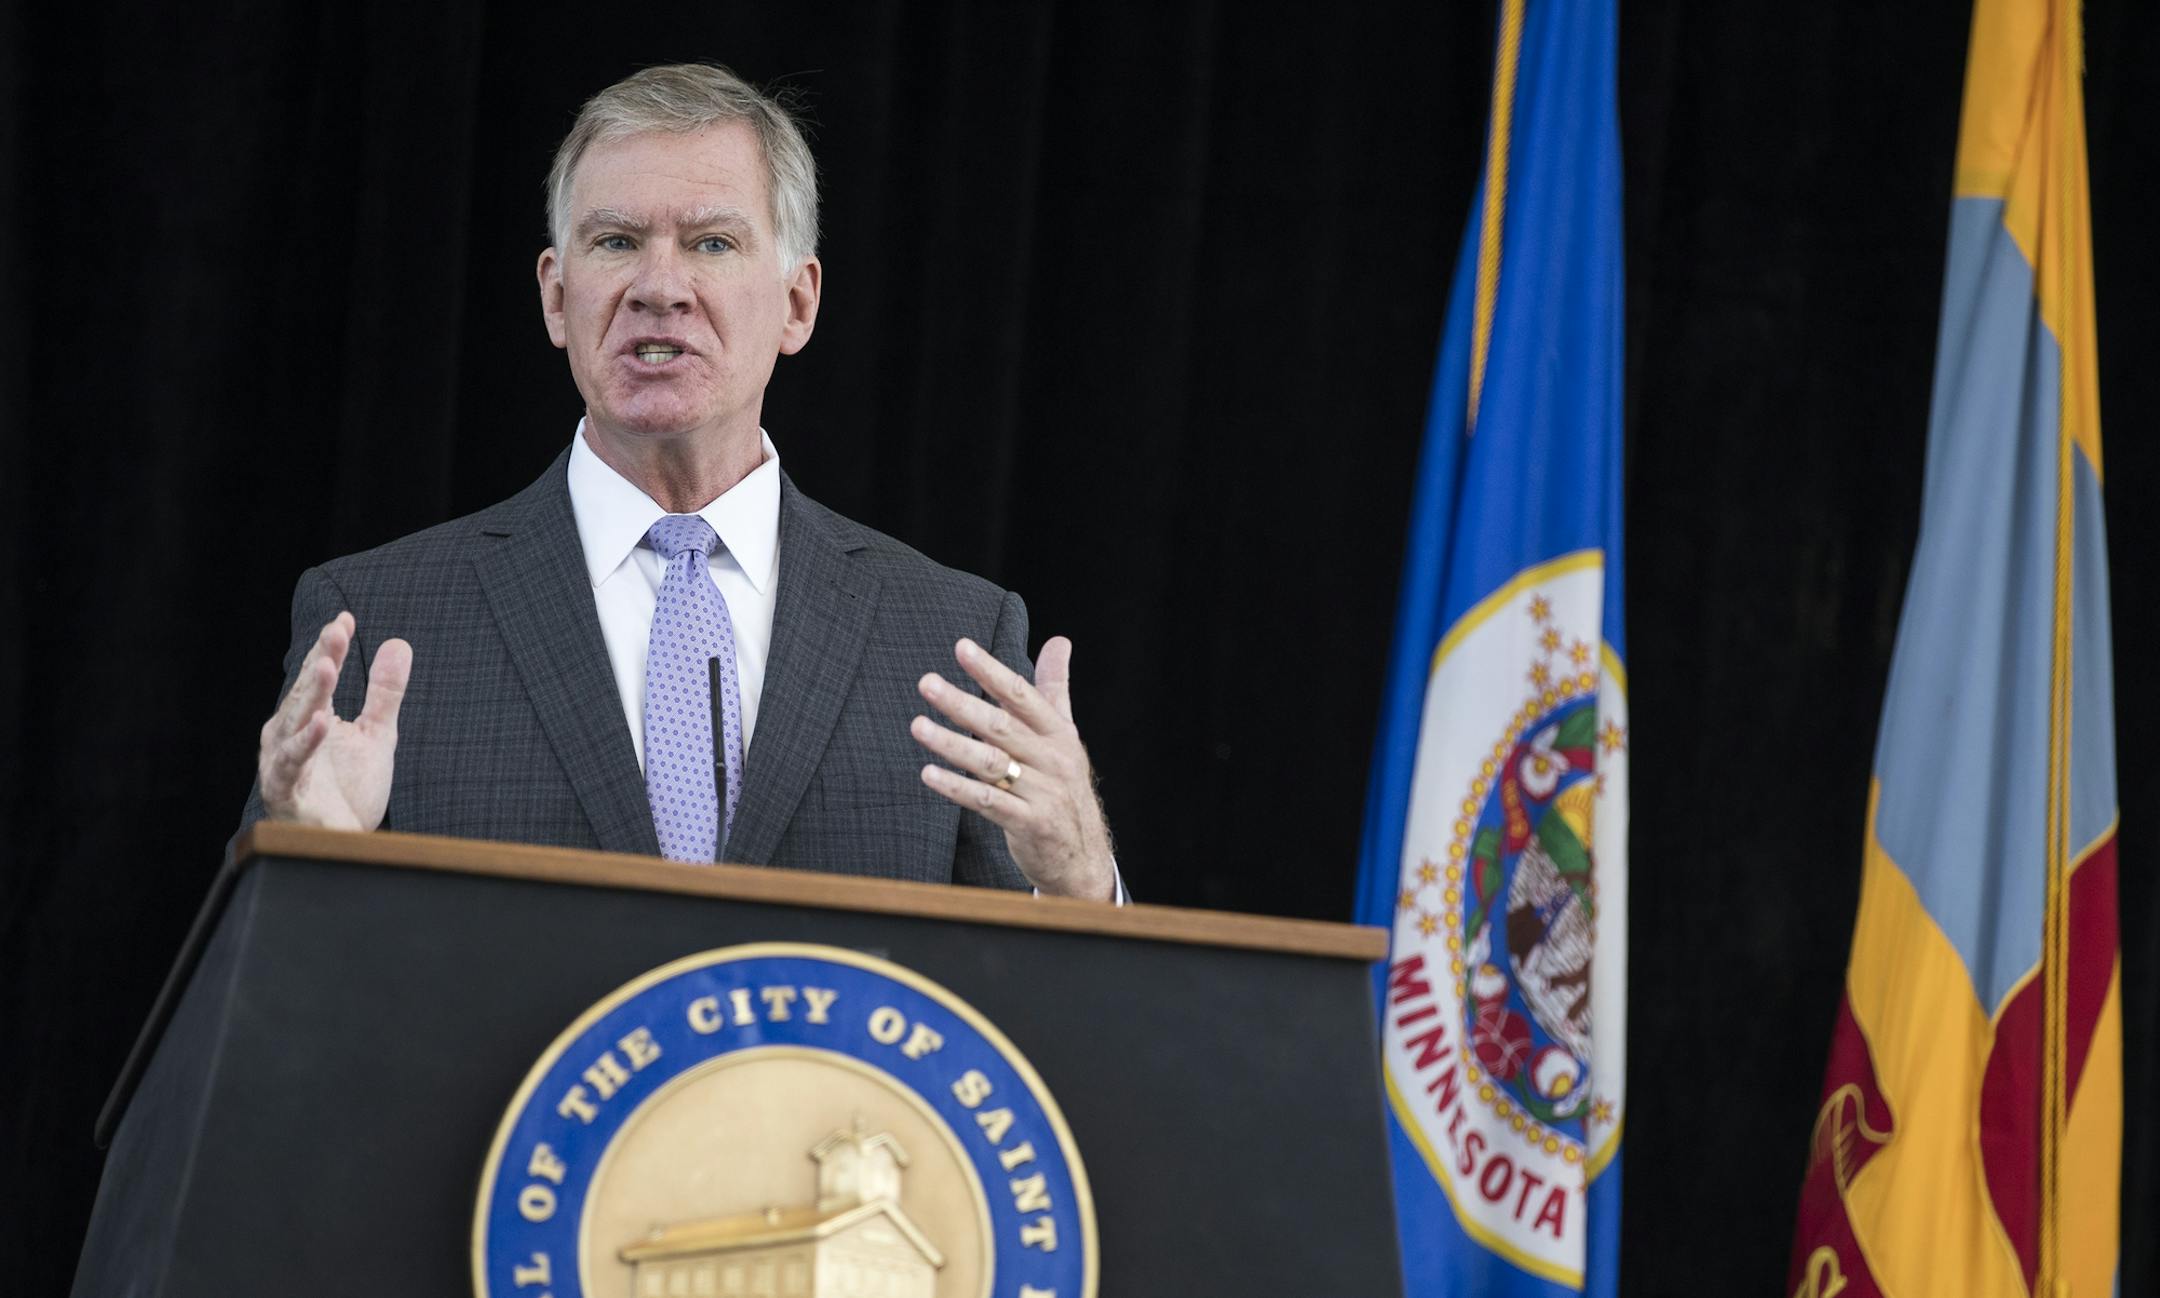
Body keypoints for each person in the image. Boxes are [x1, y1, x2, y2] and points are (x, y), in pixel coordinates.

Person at [241, 63, 1119, 901]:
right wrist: (311, 864)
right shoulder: (379, 621)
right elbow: (268, 1017)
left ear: (798, 304)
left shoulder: (949, 638)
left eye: (711, 242)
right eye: (616, 241)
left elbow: (1034, 1026)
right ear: (556, 297)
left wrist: (1078, 881)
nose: (659, 287)